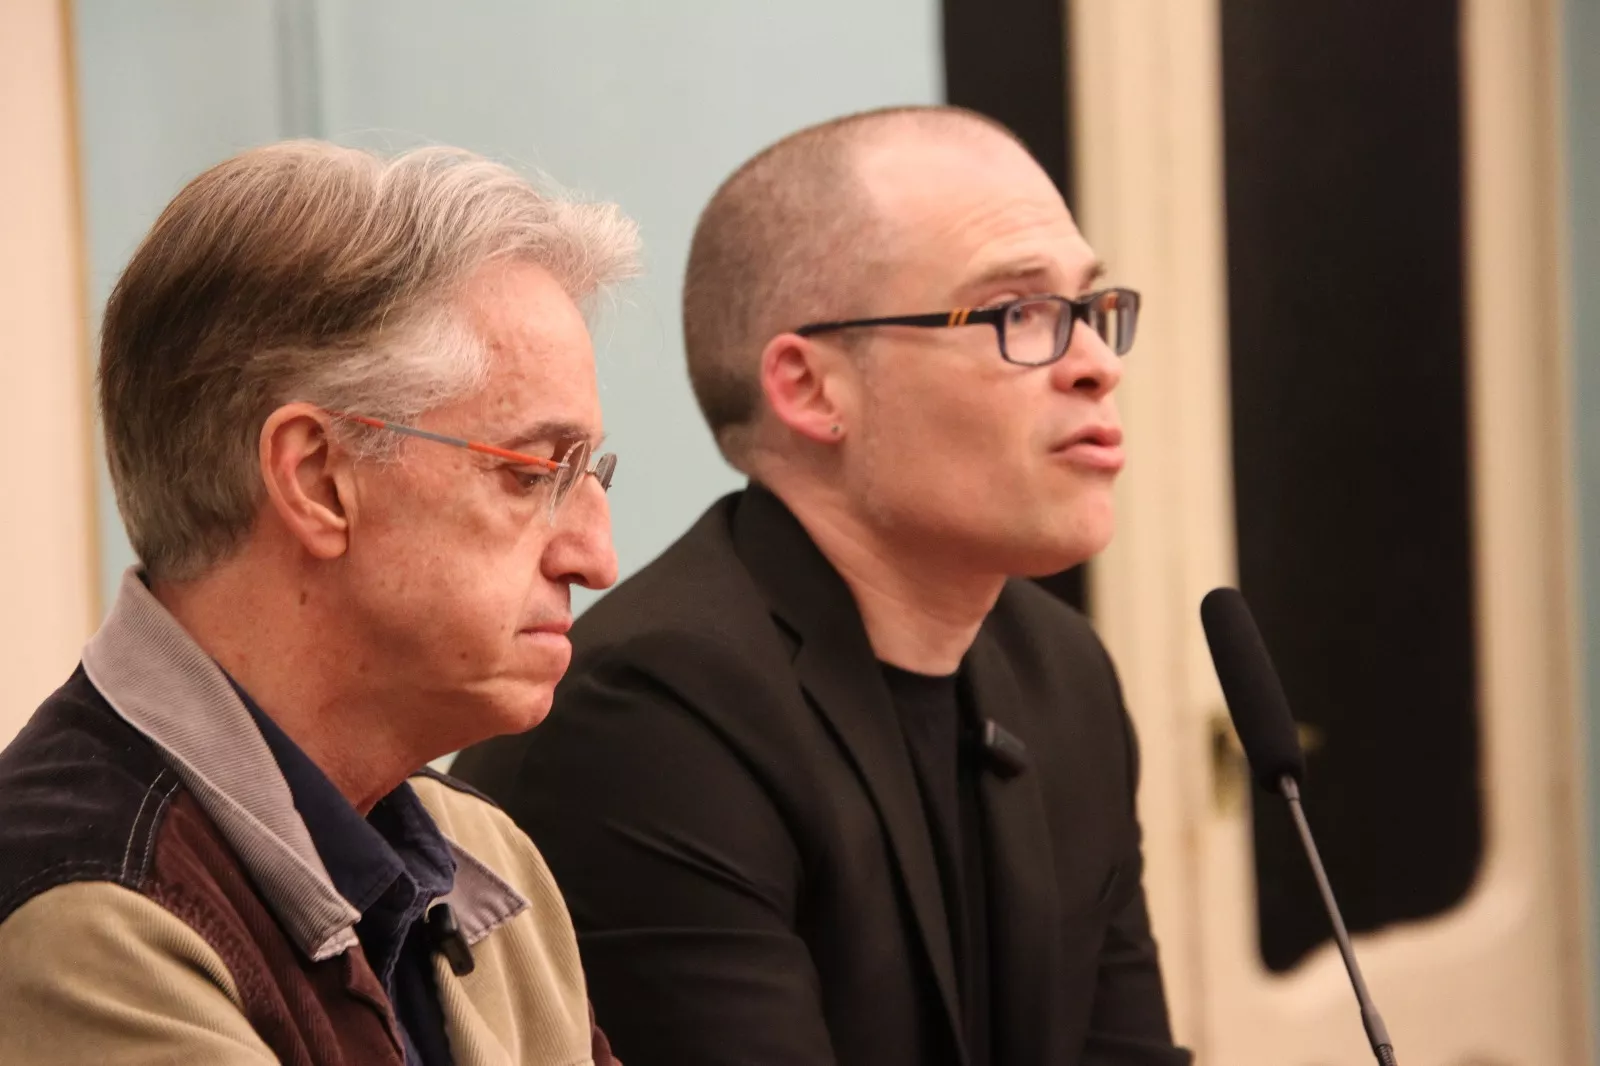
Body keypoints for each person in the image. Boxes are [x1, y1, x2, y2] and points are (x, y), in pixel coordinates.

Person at [453, 106, 1191, 1065]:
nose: (1095, 364)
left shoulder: (1063, 673)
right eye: (1021, 314)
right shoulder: (652, 715)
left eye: (1092, 310)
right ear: (809, 389)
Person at [0, 141, 638, 1065]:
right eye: (534, 472)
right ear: (318, 479)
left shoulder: (481, 853)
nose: (597, 558)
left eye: (590, 474)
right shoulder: (89, 915)